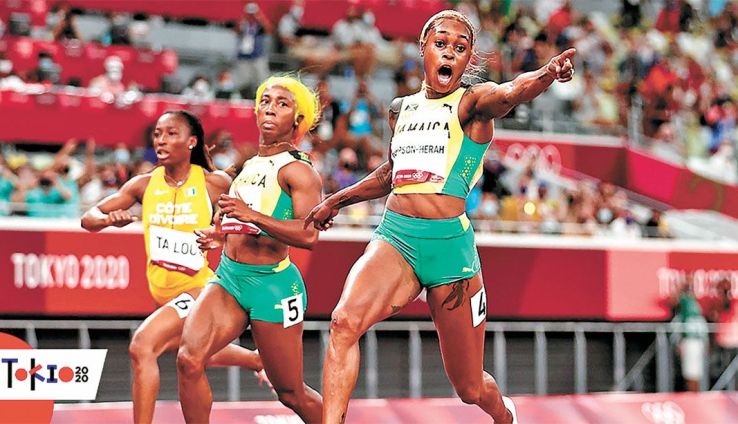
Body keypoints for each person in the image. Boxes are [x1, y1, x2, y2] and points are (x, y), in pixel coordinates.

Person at [305, 10, 575, 423]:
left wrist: (546, 74)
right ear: (424, 48)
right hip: (396, 237)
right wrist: (335, 201)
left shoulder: (473, 104)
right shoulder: (401, 109)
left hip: (450, 251)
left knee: (469, 387)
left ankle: (505, 415)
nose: (449, 52)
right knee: (343, 322)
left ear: (468, 59)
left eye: (460, 48)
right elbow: (391, 174)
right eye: (441, 43)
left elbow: (512, 92)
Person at [80, 110, 265, 424]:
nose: (161, 141)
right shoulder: (143, 185)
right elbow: (89, 217)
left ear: (191, 142)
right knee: (192, 352)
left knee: (142, 346)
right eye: (157, 134)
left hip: (199, 289)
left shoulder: (212, 183)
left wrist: (219, 235)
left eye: (171, 134)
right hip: (163, 294)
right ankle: (257, 360)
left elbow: (249, 223)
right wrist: (108, 219)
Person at [177, 76, 324, 423]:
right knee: (188, 360)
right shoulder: (248, 164)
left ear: (297, 121)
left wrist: (252, 216)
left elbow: (309, 235)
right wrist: (219, 235)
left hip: (273, 285)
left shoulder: (299, 172)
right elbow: (239, 221)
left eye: (282, 104)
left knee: (291, 393)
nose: (270, 108)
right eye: (265, 101)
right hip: (229, 277)